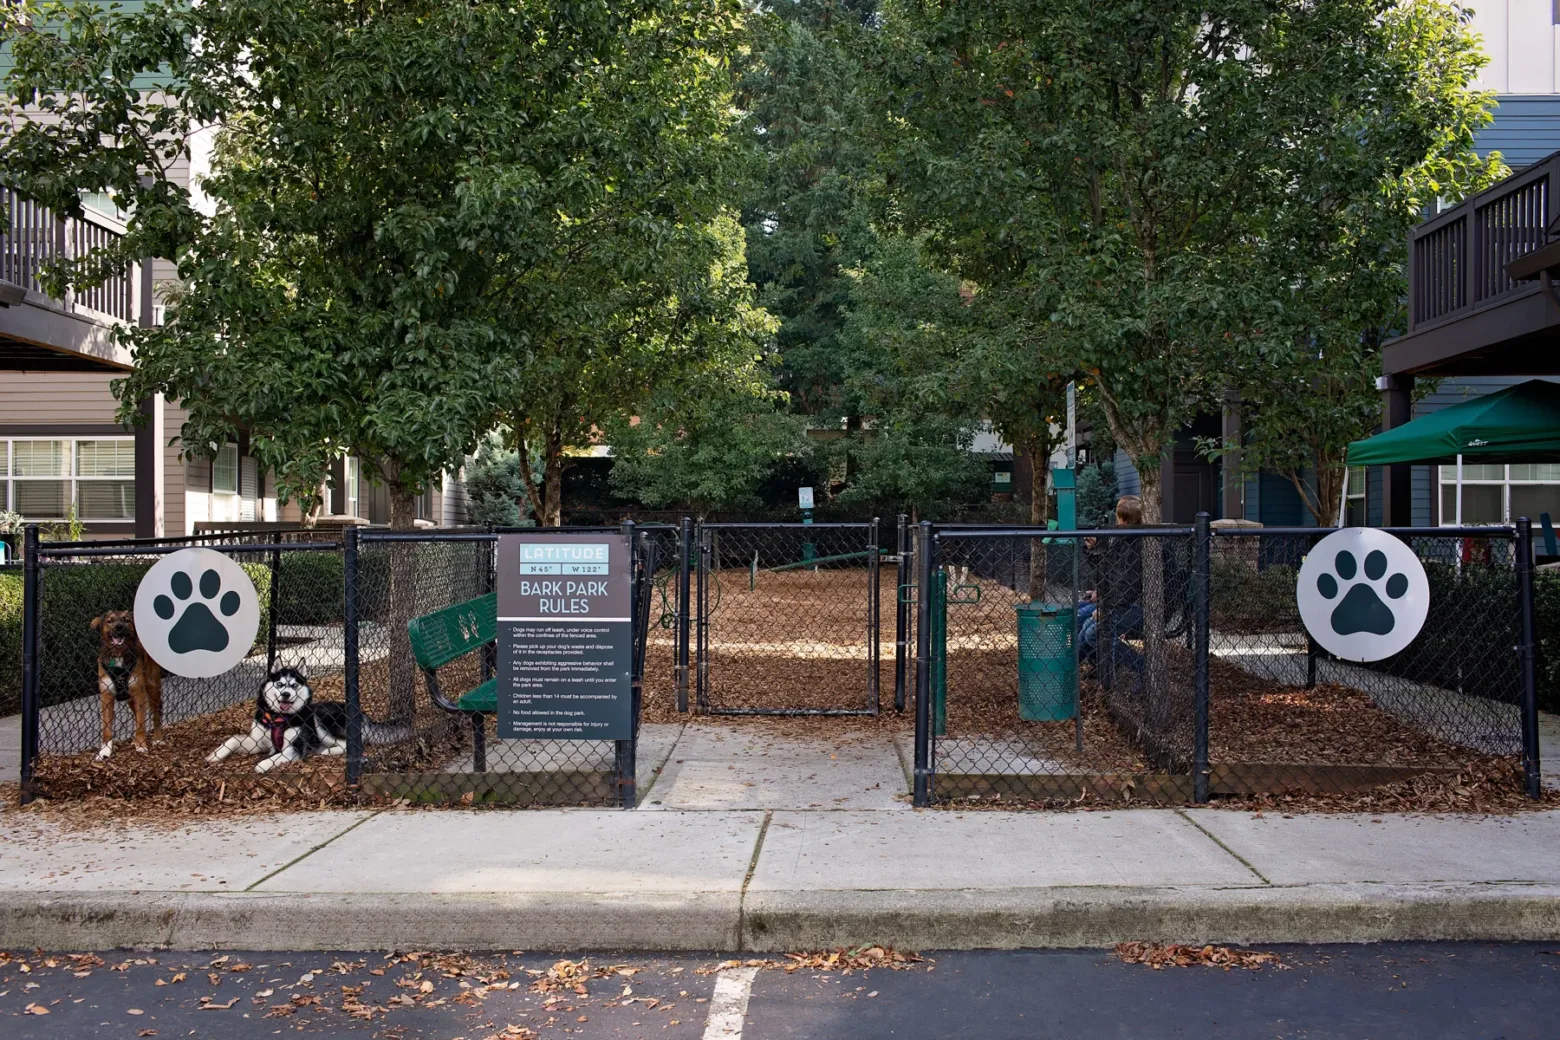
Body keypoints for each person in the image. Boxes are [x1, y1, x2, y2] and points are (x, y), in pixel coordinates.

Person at [1080, 495, 1144, 675]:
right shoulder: (1123, 539)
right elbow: (1110, 573)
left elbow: (1128, 588)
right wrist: (1092, 550)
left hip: (1135, 607)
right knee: (1078, 617)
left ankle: (1142, 669)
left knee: (1092, 631)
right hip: (1119, 601)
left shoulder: (1137, 545)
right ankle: (1087, 669)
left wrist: (1105, 607)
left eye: (1117, 517)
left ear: (1123, 519)